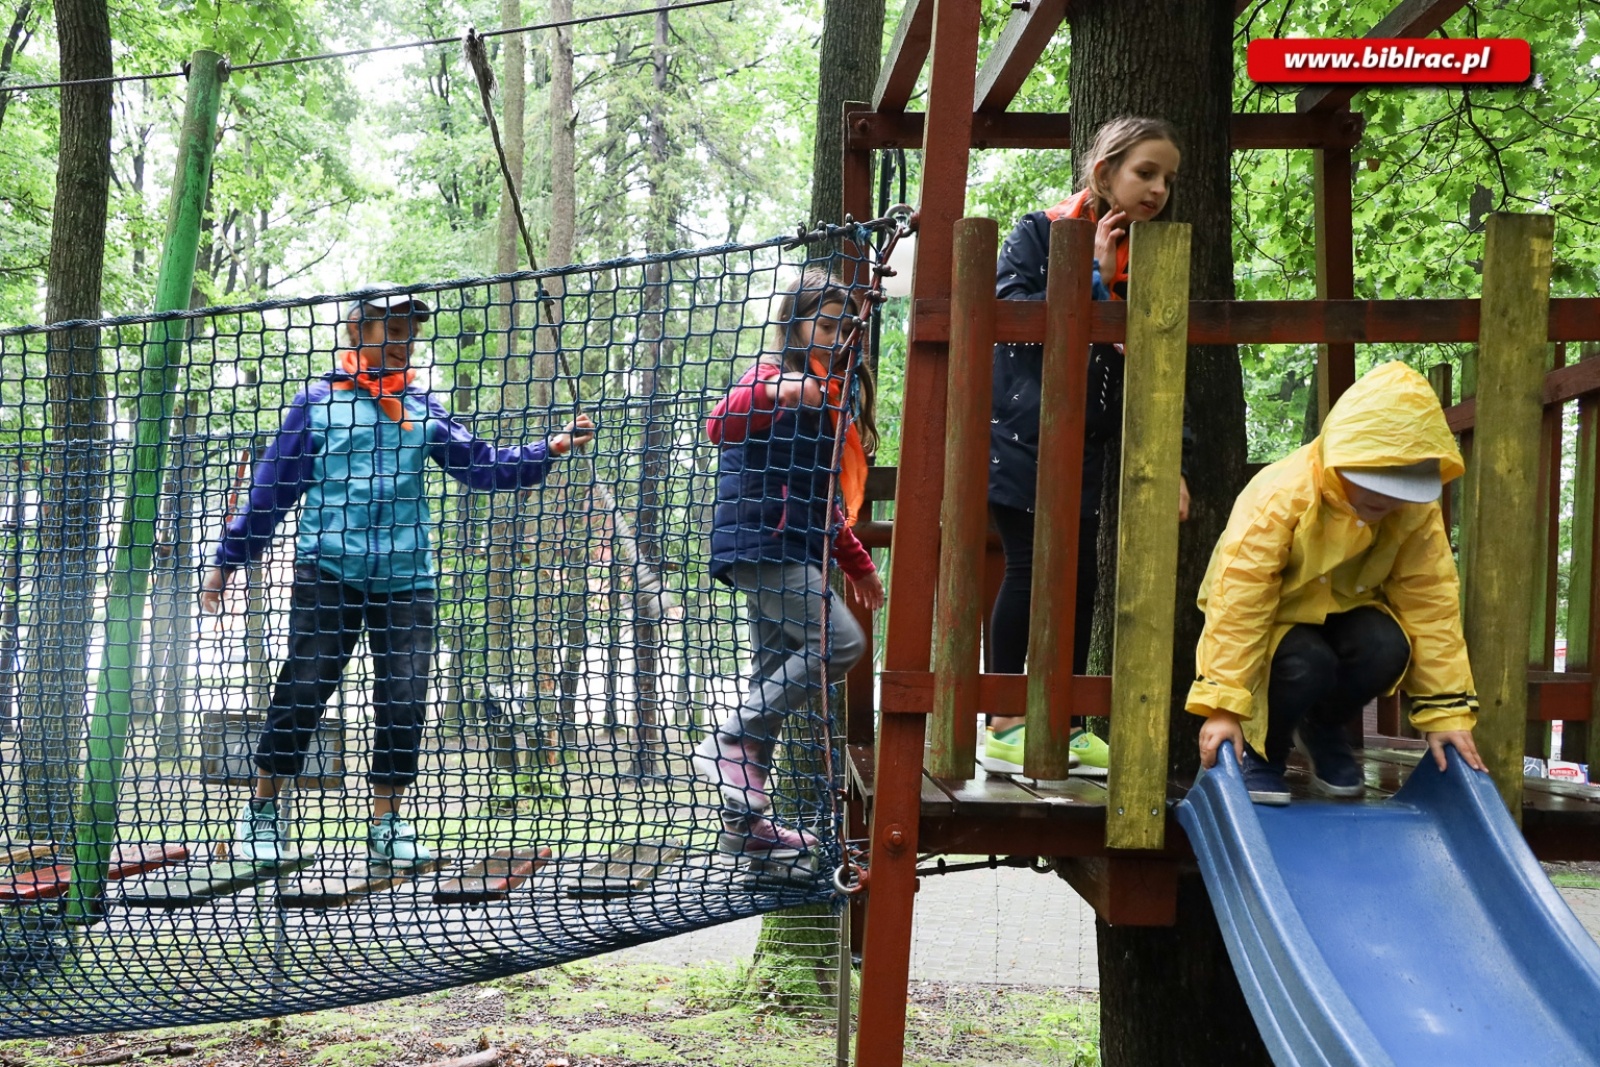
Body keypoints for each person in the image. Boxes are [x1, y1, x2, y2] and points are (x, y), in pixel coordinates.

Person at [200, 283, 595, 865]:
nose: (403, 341)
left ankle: (386, 824)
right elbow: (270, 492)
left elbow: (483, 467)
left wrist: (551, 448)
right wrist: (228, 561)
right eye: (392, 328)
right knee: (304, 688)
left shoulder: (422, 407)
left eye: (410, 331)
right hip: (328, 570)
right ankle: (262, 811)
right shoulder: (318, 403)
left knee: (404, 698)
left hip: (407, 579)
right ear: (356, 330)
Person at [982, 116, 1190, 778]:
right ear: (1104, 173)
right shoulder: (1039, 232)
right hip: (1020, 436)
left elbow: (1159, 367)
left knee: (1078, 578)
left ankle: (1065, 722)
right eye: (1145, 173)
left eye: (1167, 179)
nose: (1158, 190)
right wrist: (1092, 277)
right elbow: (1012, 320)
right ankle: (1004, 719)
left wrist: (1174, 460)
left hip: (1088, 444)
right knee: (1029, 567)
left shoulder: (1152, 257)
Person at [1189, 360, 1488, 805]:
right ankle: (1262, 750)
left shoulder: (1413, 512)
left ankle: (1323, 726)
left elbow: (1430, 604)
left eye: (1399, 485)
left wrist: (1446, 713)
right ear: (1341, 459)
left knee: (1386, 646)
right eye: (1373, 479)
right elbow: (1240, 600)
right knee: (1306, 661)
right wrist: (1223, 708)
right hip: (1273, 618)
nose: (1384, 497)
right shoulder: (1281, 496)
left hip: (1346, 609)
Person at [694, 269, 885, 857]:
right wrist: (777, 393)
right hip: (763, 546)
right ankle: (732, 736)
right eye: (825, 326)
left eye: (844, 330)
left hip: (788, 548)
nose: (836, 338)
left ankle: (745, 829)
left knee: (772, 672)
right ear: (795, 326)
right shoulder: (771, 377)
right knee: (840, 643)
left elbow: (824, 501)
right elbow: (718, 425)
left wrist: (857, 565)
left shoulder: (831, 397)